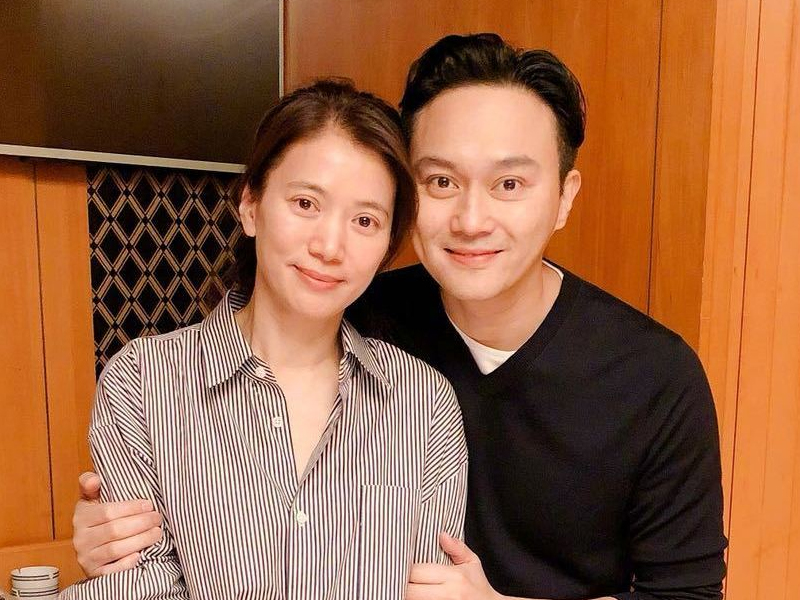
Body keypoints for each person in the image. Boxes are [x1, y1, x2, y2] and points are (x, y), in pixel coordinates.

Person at [70, 34, 727, 600]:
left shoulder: (654, 377)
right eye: (441, 181)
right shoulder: (353, 308)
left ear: (563, 197)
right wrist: (107, 537)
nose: (472, 219)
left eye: (509, 184)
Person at [59, 79, 468, 600]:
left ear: (387, 245)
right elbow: (141, 584)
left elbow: (428, 589)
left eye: (365, 220)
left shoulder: (423, 402)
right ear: (251, 205)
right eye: (305, 203)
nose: (329, 245)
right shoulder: (142, 382)